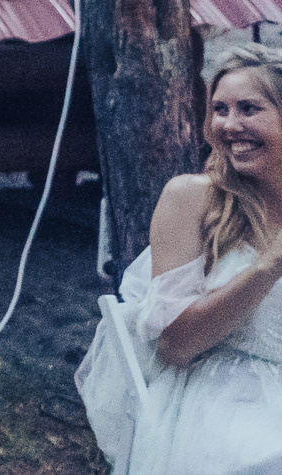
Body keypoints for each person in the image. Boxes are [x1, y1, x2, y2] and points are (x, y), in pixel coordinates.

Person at [79, 43, 282, 474]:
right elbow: (175, 346)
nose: (229, 124)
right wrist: (267, 267)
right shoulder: (193, 199)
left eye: (249, 109)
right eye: (220, 109)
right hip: (225, 403)